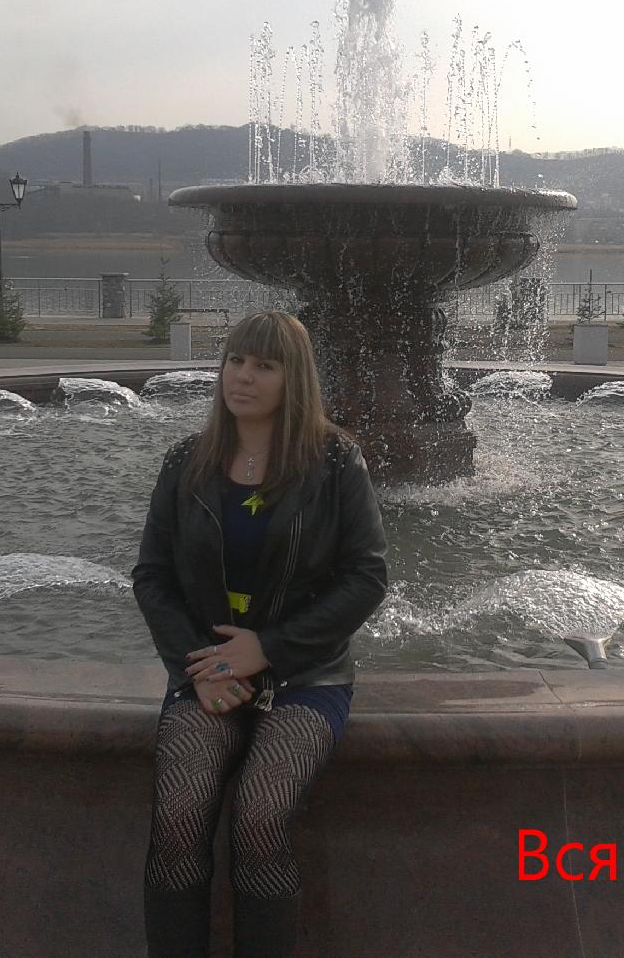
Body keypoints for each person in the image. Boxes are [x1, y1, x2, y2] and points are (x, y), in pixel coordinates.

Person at [132, 310, 388, 958]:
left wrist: (266, 649)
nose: (242, 377)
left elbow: (366, 578)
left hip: (305, 677)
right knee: (179, 815)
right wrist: (201, 665)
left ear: (292, 378)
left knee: (261, 815)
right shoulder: (186, 462)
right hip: (206, 673)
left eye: (264, 366)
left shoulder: (335, 462)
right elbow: (152, 577)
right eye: (236, 361)